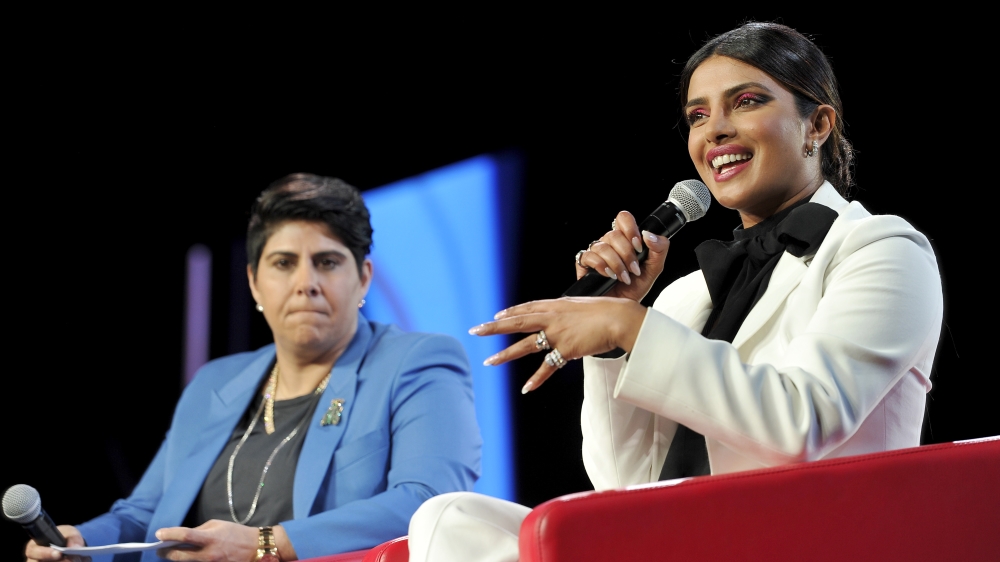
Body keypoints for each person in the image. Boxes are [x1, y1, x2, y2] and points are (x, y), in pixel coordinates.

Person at [407, 22, 943, 562]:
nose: (716, 131)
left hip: (809, 541)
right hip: (685, 541)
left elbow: (801, 421)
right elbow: (625, 484)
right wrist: (614, 333)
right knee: (452, 520)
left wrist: (629, 328)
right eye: (698, 116)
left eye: (747, 101)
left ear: (818, 124)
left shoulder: (881, 247)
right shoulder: (686, 296)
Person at [26, 174, 482, 562]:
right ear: (254, 282)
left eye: (327, 262)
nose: (306, 284)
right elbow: (145, 512)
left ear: (363, 277)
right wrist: (82, 541)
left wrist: (264, 545)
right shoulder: (215, 382)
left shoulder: (417, 361)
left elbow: (429, 504)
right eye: (284, 263)